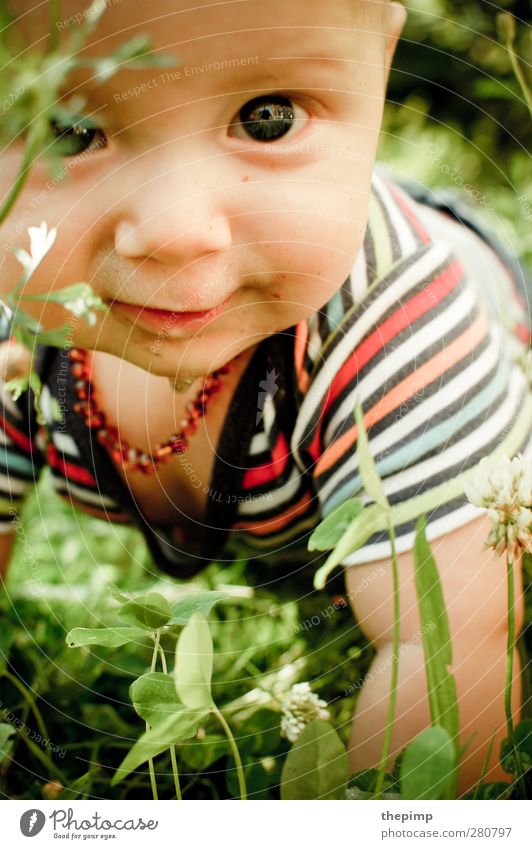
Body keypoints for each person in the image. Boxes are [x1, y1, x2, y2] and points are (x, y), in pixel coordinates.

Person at [0, 0, 530, 796]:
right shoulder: (18, 313)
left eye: (268, 118)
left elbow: (453, 654)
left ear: (381, 70)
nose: (176, 230)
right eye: (69, 129)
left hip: (466, 317)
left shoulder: (395, 326)